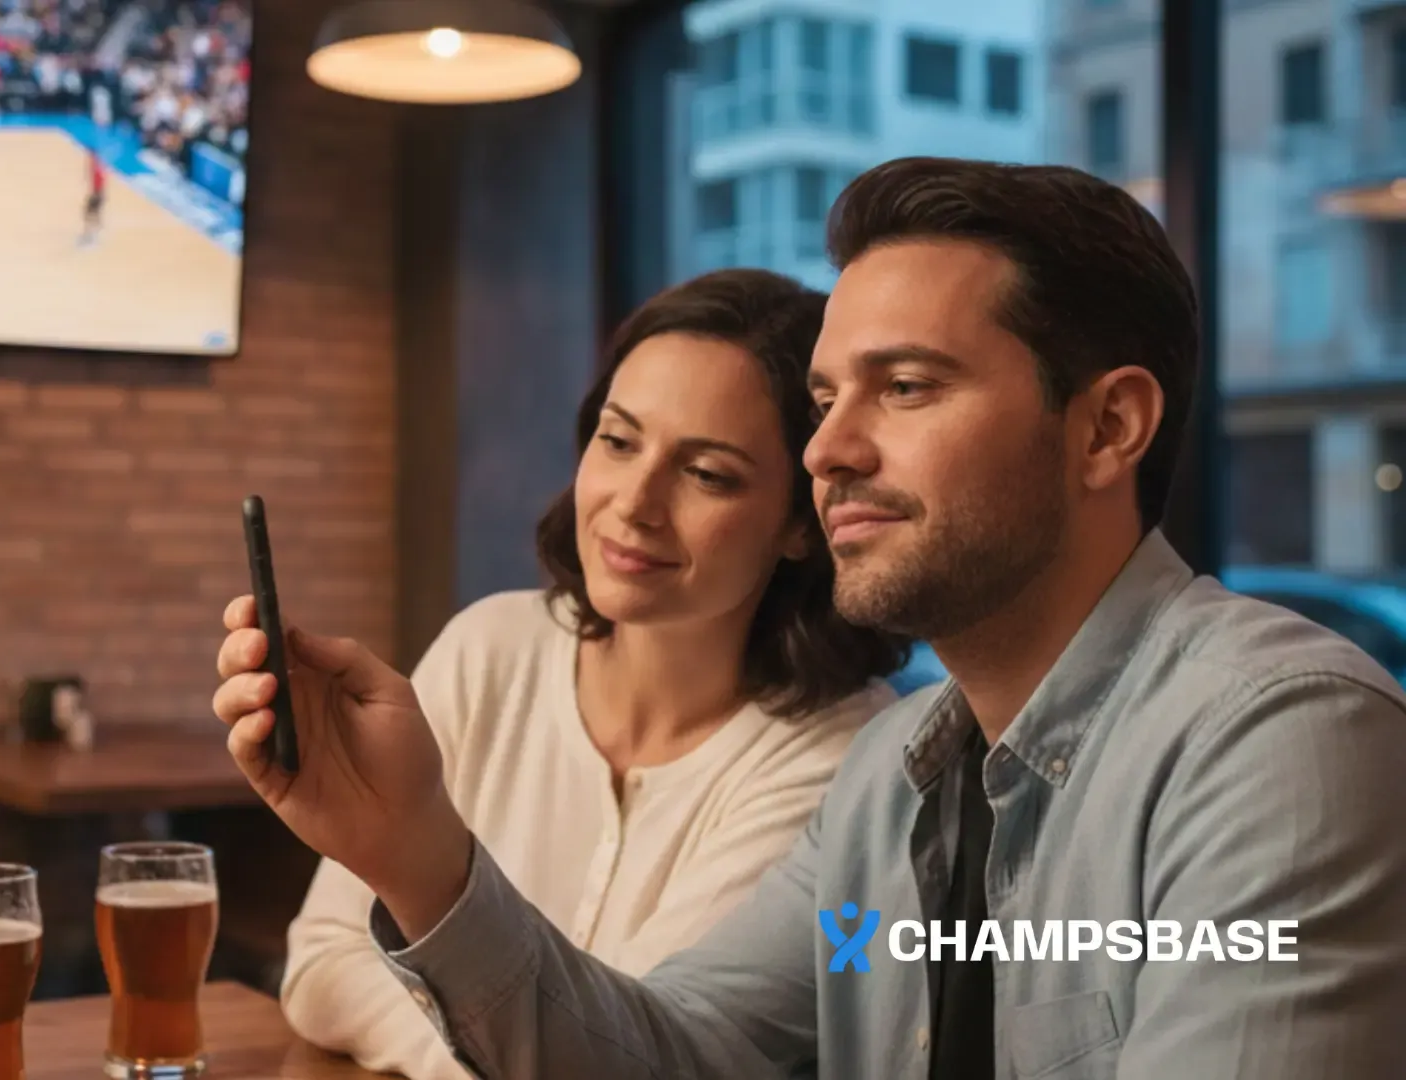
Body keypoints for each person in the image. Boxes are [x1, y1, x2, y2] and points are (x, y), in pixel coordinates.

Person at [212, 157, 1406, 1079]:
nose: (828, 450)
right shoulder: (890, 782)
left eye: (906, 387)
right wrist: (415, 852)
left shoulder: (1276, 740)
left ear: (1107, 428)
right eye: (829, 398)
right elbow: (673, 1055)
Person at [276, 269, 907, 1080]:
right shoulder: (491, 649)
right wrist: (493, 1051)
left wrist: (471, 1024)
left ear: (801, 522)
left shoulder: (844, 757)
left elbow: (625, 1052)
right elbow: (321, 965)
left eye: (706, 474)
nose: (635, 502)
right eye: (618, 441)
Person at [80, 145, 105, 248]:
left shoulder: (98, 168)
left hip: (97, 193)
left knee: (91, 213)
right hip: (97, 192)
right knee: (91, 213)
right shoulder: (98, 167)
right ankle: (93, 230)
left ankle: (92, 232)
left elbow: (97, 180)